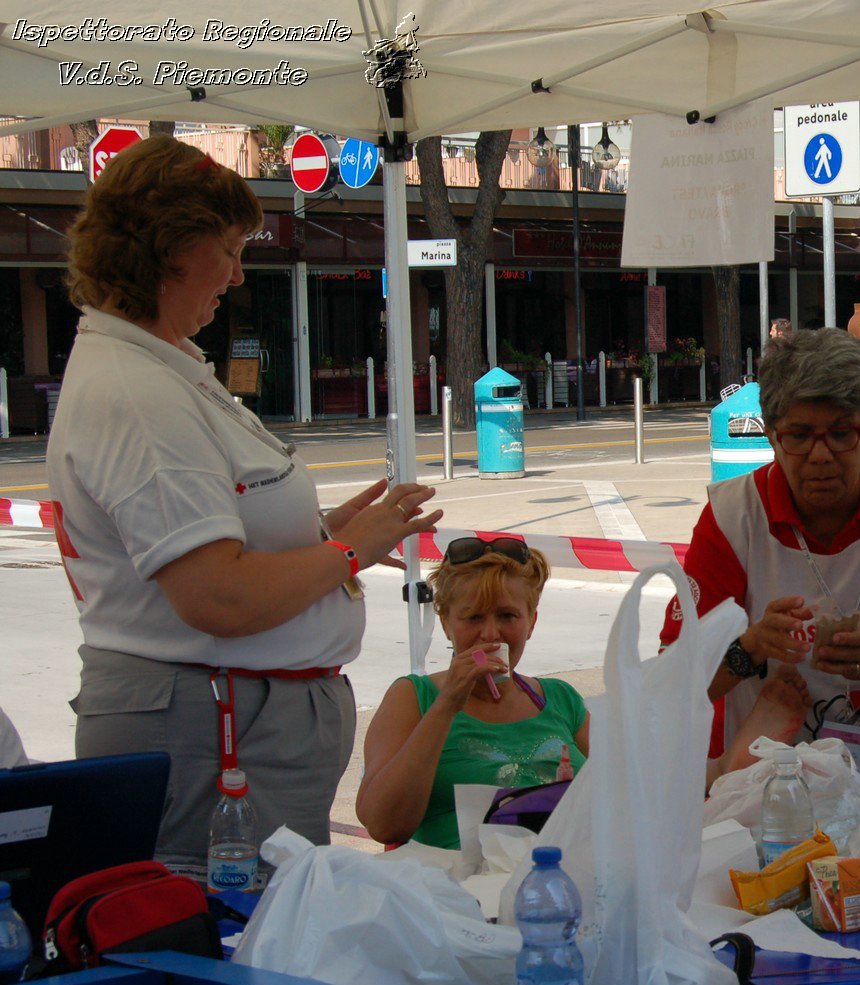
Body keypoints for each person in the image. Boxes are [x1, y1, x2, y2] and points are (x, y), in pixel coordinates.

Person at [45, 136, 440, 877]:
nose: (235, 273)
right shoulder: (139, 394)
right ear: (167, 250)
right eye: (226, 248)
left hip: (236, 726)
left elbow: (218, 540)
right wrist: (347, 552)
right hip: (216, 735)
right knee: (231, 937)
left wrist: (327, 536)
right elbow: (217, 595)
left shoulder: (158, 370)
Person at [662, 328, 860, 791]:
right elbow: (668, 686)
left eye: (840, 434)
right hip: (770, 795)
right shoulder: (733, 517)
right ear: (771, 435)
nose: (820, 456)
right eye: (799, 435)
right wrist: (750, 648)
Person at [357, 538, 589, 849]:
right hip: (453, 886)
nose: (491, 633)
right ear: (446, 624)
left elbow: (621, 796)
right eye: (474, 617)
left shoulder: (561, 699)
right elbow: (384, 825)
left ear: (531, 622)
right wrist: (447, 705)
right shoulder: (413, 697)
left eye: (507, 616)